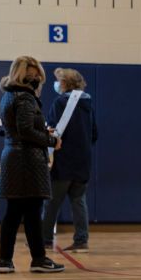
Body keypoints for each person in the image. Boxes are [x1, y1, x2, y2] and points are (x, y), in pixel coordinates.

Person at [0, 56, 65, 274]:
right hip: (27, 160)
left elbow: (17, 128)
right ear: (22, 75)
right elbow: (26, 131)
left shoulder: (8, 95)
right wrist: (52, 140)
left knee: (14, 212)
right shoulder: (25, 97)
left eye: (38, 76)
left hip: (13, 158)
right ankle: (39, 259)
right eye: (33, 76)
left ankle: (5, 260)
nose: (36, 80)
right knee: (33, 212)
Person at [42, 68, 97, 253]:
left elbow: (51, 127)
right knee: (79, 201)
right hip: (83, 162)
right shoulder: (88, 103)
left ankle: (45, 239)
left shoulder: (60, 102)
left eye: (59, 80)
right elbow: (94, 133)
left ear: (65, 83)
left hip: (63, 161)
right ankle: (81, 241)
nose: (57, 84)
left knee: (51, 202)